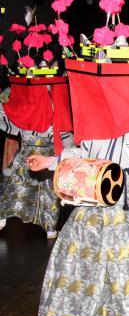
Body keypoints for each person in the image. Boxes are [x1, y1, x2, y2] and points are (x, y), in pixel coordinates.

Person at [6, 83, 129, 316]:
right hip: (91, 201)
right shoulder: (94, 125)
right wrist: (49, 162)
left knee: (125, 264)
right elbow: (81, 155)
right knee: (72, 256)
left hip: (123, 204)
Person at [0, 92, 73, 239]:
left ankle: (2, 218)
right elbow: (65, 134)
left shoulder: (29, 106)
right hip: (48, 156)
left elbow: (11, 120)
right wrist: (71, 151)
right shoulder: (54, 103)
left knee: (16, 185)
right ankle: (50, 229)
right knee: (48, 192)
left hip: (33, 154)